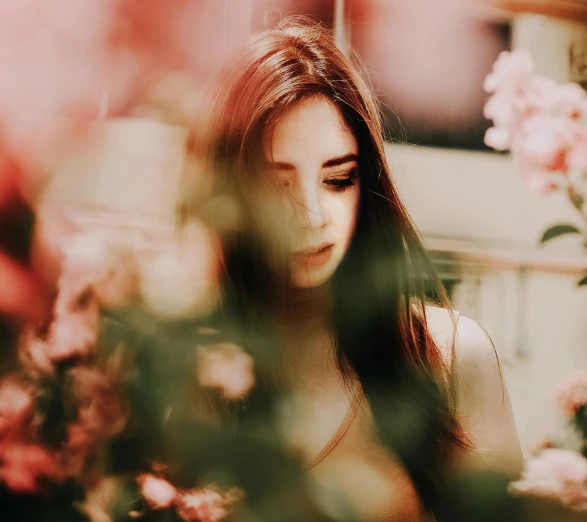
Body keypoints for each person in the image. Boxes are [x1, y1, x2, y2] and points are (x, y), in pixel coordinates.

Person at [190, 18, 523, 521]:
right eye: (278, 185)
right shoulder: (188, 370)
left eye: (338, 179)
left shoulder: (450, 357)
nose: (313, 216)